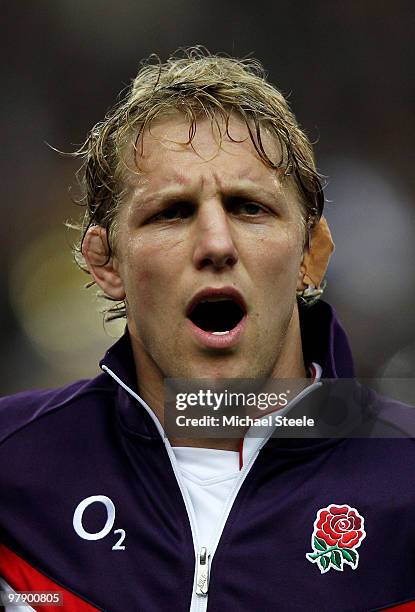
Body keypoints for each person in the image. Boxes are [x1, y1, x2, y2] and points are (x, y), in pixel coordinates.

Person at [1, 49, 414, 612]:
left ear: (310, 257)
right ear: (106, 263)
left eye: (249, 208)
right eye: (170, 212)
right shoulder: (13, 470)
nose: (216, 244)